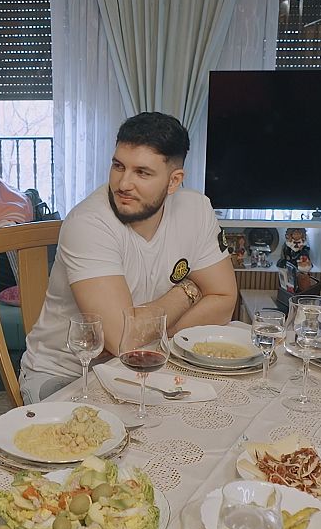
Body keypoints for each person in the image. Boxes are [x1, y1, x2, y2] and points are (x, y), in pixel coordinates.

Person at [19, 112, 237, 402]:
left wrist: (150, 336)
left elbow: (224, 300)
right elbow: (123, 340)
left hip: (145, 364)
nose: (123, 184)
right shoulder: (89, 223)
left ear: (174, 181)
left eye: (142, 173)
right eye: (118, 166)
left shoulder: (196, 209)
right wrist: (189, 290)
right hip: (68, 373)